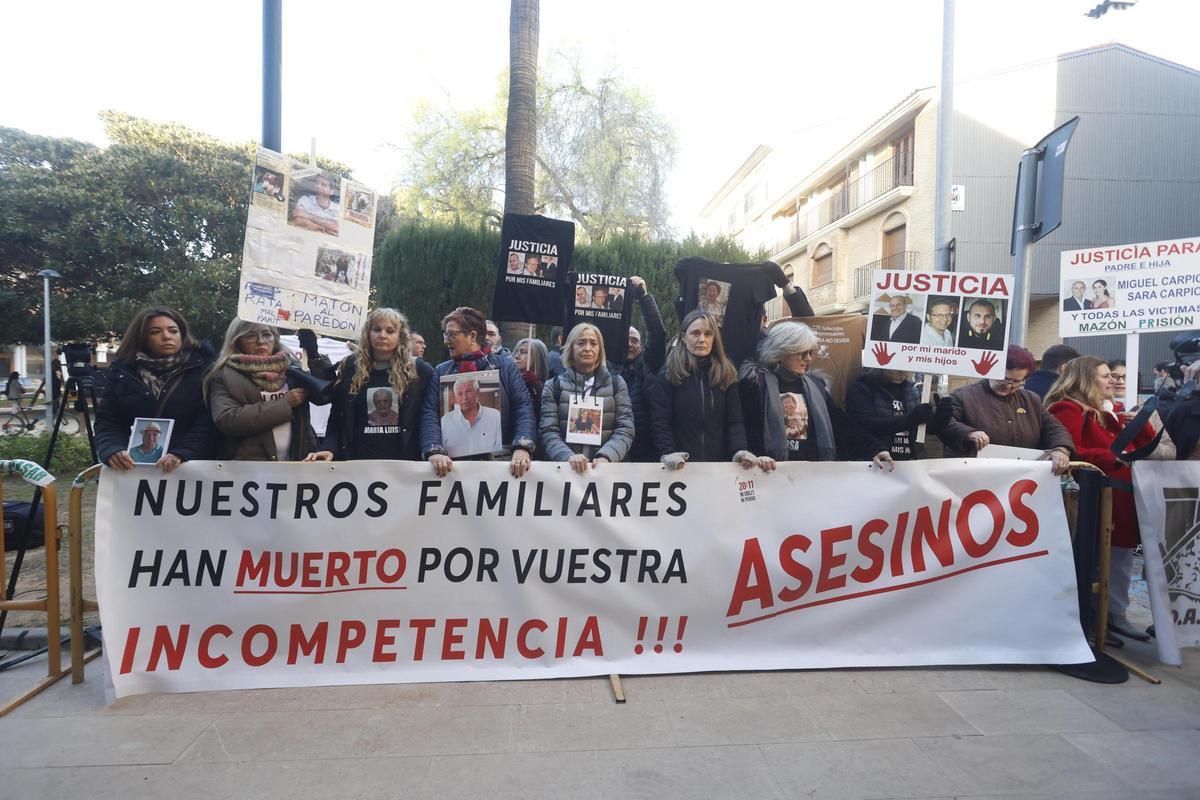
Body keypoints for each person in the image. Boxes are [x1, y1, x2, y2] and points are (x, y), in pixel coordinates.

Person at [1047, 357, 1174, 640]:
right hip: (1095, 496)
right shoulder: (1067, 408)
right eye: (1105, 376)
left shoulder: (1111, 410)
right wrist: (1111, 457)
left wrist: (1138, 426)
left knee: (1121, 557)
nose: (1112, 381)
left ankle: (1115, 615)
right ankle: (1094, 619)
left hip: (1122, 496)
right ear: (1085, 380)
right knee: (1094, 559)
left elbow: (1142, 448)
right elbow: (1071, 449)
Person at [740, 321, 893, 467]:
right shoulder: (755, 383)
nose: (808, 359)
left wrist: (874, 449)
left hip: (812, 475)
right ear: (781, 352)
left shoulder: (816, 387)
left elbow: (841, 424)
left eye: (810, 353)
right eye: (801, 353)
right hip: (769, 474)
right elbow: (747, 429)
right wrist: (757, 455)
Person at [645, 309, 771, 472]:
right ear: (684, 337)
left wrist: (739, 450)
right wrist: (668, 453)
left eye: (708, 334)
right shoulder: (669, 373)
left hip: (718, 470)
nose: (702, 339)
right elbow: (660, 421)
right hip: (679, 469)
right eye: (695, 333)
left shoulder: (726, 372)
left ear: (714, 338)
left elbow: (734, 421)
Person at [95, 307, 215, 472]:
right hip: (135, 470)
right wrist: (112, 449)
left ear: (182, 335)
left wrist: (183, 453)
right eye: (155, 331)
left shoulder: (205, 370)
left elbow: (207, 422)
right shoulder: (121, 372)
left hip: (190, 469)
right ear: (142, 337)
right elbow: (108, 420)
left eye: (173, 331)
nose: (167, 337)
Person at [421, 306, 536, 477]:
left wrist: (522, 447)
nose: (446, 340)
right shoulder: (442, 371)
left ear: (473, 336)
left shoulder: (505, 366)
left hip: (499, 466)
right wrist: (434, 450)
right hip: (453, 469)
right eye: (445, 334)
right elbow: (429, 412)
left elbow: (523, 407)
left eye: (452, 334)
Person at [306, 308, 433, 462]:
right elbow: (338, 417)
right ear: (368, 333)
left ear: (400, 336)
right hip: (357, 465)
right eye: (377, 329)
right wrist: (328, 448)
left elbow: (430, 416)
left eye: (390, 331)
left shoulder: (420, 371)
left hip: (405, 468)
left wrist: (432, 450)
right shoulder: (350, 367)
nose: (382, 335)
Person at [937, 345, 1074, 473]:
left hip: (1018, 478)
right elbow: (944, 424)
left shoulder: (1031, 399)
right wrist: (968, 433)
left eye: (1018, 382)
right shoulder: (963, 396)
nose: (1010, 387)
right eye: (1004, 381)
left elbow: (1053, 427)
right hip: (973, 474)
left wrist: (1061, 449)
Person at [204, 320, 326, 462]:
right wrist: (285, 404)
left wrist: (314, 356)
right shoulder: (224, 375)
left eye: (267, 335)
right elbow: (228, 419)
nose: (261, 341)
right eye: (250, 336)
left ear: (275, 338)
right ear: (237, 340)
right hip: (249, 470)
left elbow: (324, 396)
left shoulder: (293, 368)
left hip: (298, 464)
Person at [540, 323, 634, 473]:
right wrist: (568, 456)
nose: (588, 348)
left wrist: (606, 456)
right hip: (565, 473)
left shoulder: (617, 384)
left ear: (600, 350)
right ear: (571, 348)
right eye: (581, 343)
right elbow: (548, 430)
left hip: (605, 474)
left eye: (593, 343)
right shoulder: (553, 386)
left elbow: (625, 428)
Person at [610, 276, 667, 462]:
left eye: (635, 340)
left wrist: (644, 297)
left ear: (641, 346)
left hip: (646, 451)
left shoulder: (648, 364)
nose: (630, 344)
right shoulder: (605, 368)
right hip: (612, 448)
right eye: (626, 339)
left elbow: (657, 334)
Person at [845, 369, 947, 461]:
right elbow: (865, 425)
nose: (903, 371)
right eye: (897, 367)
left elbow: (925, 428)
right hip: (877, 462)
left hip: (910, 463)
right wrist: (911, 418)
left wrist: (942, 416)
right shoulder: (862, 389)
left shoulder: (912, 391)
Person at [442, 377, 504, 456]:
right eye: (460, 393)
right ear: (456, 397)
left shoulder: (495, 416)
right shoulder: (445, 421)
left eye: (468, 391)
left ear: (477, 392)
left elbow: (499, 451)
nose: (465, 398)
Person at [514, 337, 549, 409]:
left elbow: (545, 410)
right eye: (516, 352)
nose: (516, 356)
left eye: (523, 352)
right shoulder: (511, 381)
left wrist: (536, 386)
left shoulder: (550, 386)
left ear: (537, 356)